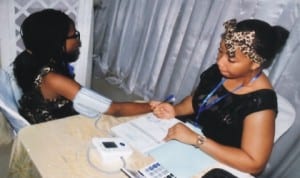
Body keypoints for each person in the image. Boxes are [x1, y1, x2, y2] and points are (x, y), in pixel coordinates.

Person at [151, 19, 289, 175]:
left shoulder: (260, 103)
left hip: (220, 162)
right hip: (189, 141)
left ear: (255, 64)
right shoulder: (221, 71)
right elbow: (198, 99)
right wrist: (174, 111)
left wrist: (197, 140)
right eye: (220, 51)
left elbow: (254, 163)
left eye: (231, 59)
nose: (220, 62)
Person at [13, 9, 153, 124]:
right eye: (74, 36)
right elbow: (115, 109)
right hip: (53, 130)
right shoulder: (53, 79)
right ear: (55, 42)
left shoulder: (28, 57)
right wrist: (152, 106)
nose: (78, 42)